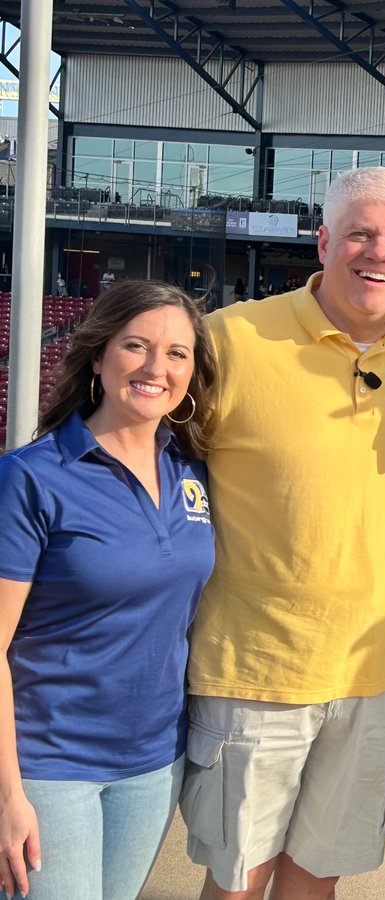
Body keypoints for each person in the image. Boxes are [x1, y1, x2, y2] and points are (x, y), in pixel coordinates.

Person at [180, 167, 385, 900]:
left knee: (316, 883)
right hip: (254, 669)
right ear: (324, 241)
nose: (379, 253)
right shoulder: (232, 339)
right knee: (236, 884)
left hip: (376, 670)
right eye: (361, 233)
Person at [0, 280, 216, 900]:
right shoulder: (30, 477)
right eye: (136, 346)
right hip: (49, 766)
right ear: (97, 356)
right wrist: (8, 795)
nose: (156, 368)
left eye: (176, 353)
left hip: (154, 761)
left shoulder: (193, 470)